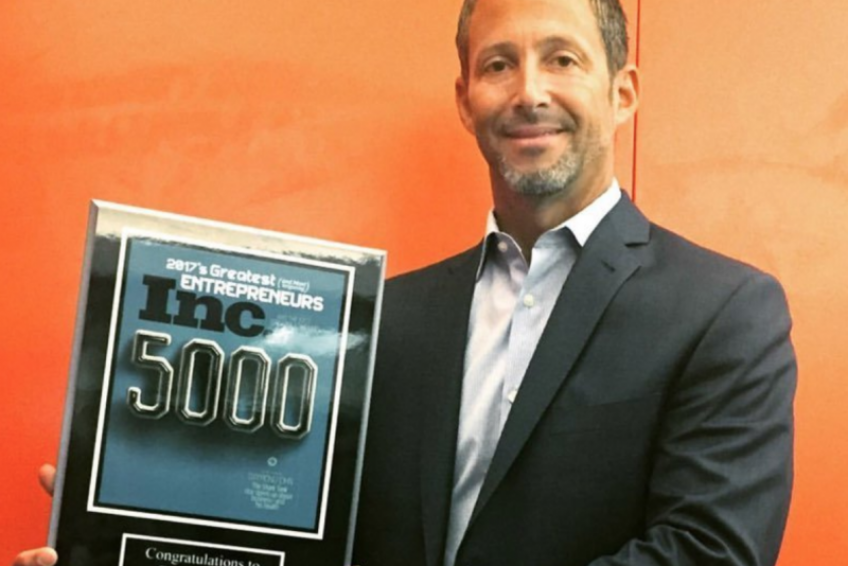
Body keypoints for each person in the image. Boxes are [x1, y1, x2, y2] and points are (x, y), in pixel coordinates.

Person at [15, 0, 796, 565]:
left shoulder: (724, 311)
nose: (529, 91)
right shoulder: (383, 319)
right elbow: (310, 535)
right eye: (499, 64)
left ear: (621, 92)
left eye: (563, 59)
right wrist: (124, 535)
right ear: (465, 99)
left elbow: (708, 552)